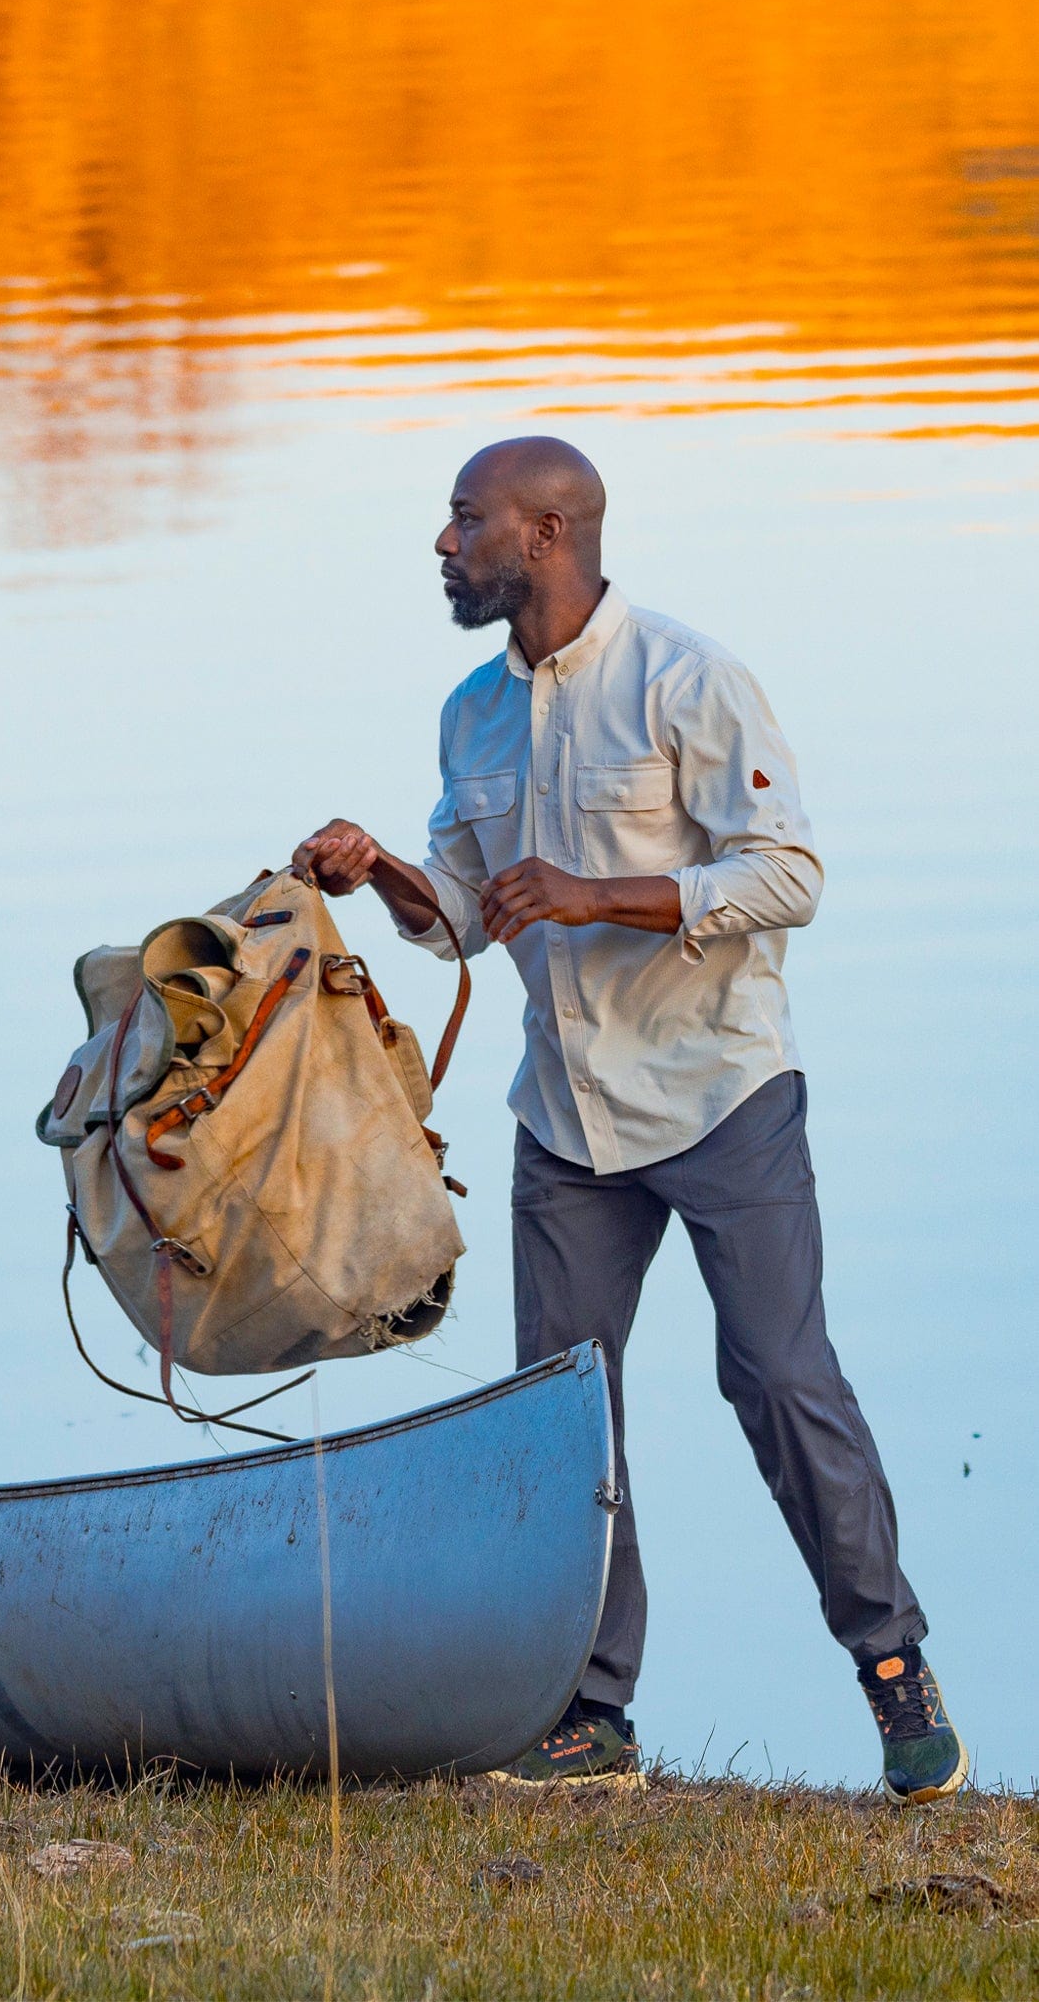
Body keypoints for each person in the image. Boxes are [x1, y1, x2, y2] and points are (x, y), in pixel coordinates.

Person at [292, 436, 965, 1805]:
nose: (441, 544)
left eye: (462, 520)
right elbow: (469, 920)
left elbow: (786, 877)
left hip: (722, 1095)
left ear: (544, 533)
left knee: (777, 1380)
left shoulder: (687, 678)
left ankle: (892, 1672)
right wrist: (383, 879)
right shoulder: (470, 715)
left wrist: (603, 894)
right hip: (565, 1122)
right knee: (561, 1419)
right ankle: (591, 1716)